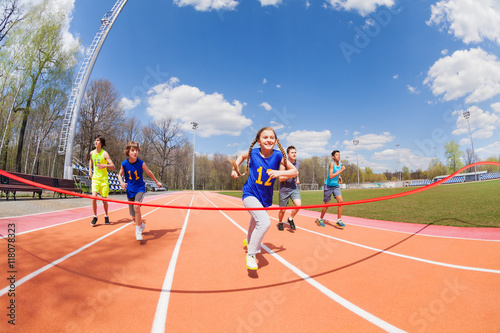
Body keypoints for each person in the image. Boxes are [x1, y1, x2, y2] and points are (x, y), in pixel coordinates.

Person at [231, 127, 298, 270]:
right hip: (250, 194)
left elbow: (294, 171)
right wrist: (234, 168)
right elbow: (241, 157)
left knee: (254, 222)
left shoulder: (278, 156)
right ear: (258, 141)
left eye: (271, 137)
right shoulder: (253, 153)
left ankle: (249, 241)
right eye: (265, 137)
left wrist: (278, 173)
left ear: (275, 141)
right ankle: (251, 254)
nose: (268, 140)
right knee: (264, 222)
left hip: (265, 197)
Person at [118, 141, 162, 241]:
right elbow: (119, 175)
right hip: (130, 190)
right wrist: (121, 182)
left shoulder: (141, 163)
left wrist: (157, 182)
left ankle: (138, 231)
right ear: (128, 152)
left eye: (136, 150)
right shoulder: (124, 164)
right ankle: (141, 225)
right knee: (133, 216)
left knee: (136, 206)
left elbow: (149, 172)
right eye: (133, 150)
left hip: (140, 188)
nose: (135, 152)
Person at [89, 135, 115, 226]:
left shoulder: (105, 154)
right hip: (95, 178)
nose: (95, 142)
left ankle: (106, 215)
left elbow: (113, 166)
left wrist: (105, 165)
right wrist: (89, 170)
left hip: (104, 179)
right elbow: (91, 161)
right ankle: (95, 216)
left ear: (101, 143)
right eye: (95, 140)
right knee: (93, 198)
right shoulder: (92, 152)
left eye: (97, 140)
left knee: (104, 200)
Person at [316, 150, 346, 229]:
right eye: (337, 155)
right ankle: (320, 219)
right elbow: (330, 176)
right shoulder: (332, 164)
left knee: (341, 201)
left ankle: (339, 220)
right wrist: (341, 171)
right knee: (327, 204)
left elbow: (336, 173)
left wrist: (339, 177)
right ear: (333, 157)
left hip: (335, 186)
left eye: (339, 155)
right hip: (328, 186)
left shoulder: (340, 163)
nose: (339, 156)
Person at [277, 146, 301, 231]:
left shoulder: (297, 163)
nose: (294, 154)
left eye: (295, 152)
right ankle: (280, 222)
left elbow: (296, 172)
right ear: (287, 154)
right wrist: (291, 175)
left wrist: (297, 178)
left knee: (298, 205)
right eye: (292, 153)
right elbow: (280, 178)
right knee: (282, 210)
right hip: (284, 190)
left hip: (294, 188)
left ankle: (290, 218)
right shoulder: (284, 164)